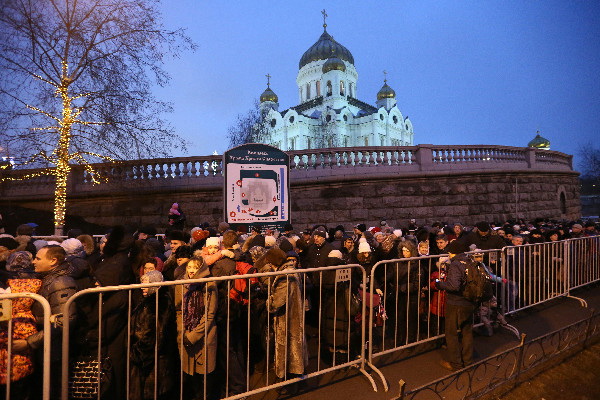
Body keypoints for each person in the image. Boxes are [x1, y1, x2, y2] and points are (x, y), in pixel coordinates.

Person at [130, 270, 177, 400]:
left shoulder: (159, 303)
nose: (143, 287)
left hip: (153, 361)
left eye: (147, 284)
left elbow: (154, 334)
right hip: (149, 359)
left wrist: (137, 354)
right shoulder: (149, 300)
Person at [435, 240, 477, 371]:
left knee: (451, 333)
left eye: (449, 252)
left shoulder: (455, 264)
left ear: (454, 252)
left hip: (456, 303)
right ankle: (468, 361)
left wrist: (439, 284)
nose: (448, 254)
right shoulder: (470, 261)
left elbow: (453, 286)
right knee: (467, 332)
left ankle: (456, 364)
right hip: (469, 302)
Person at [179, 258, 217, 400]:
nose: (191, 270)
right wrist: (182, 332)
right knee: (190, 376)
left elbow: (210, 314)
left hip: (204, 335)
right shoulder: (181, 283)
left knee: (205, 377)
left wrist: (194, 335)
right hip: (186, 333)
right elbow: (179, 310)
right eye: (189, 267)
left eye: (195, 267)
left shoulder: (209, 284)